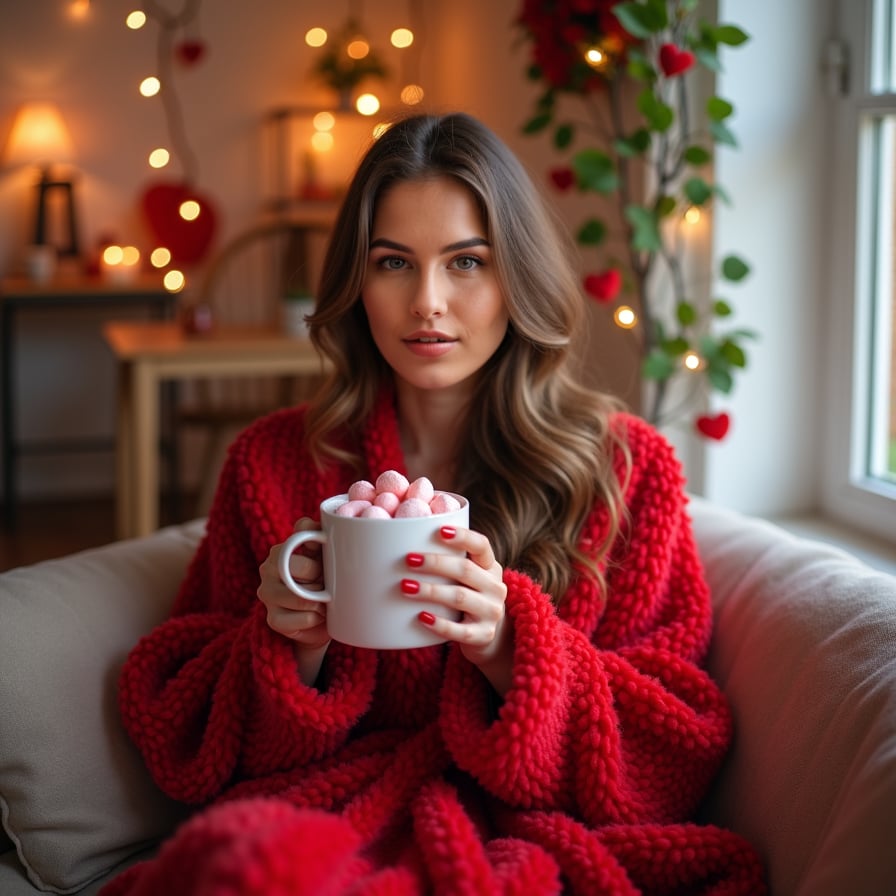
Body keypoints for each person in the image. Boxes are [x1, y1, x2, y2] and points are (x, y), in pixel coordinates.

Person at [103, 112, 766, 895]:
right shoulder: (272, 461)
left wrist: (510, 647)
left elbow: (673, 743)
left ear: (516, 275)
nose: (427, 301)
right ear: (357, 281)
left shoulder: (623, 471)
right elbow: (189, 727)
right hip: (316, 824)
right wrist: (291, 647)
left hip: (530, 834)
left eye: (466, 262)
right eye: (393, 263)